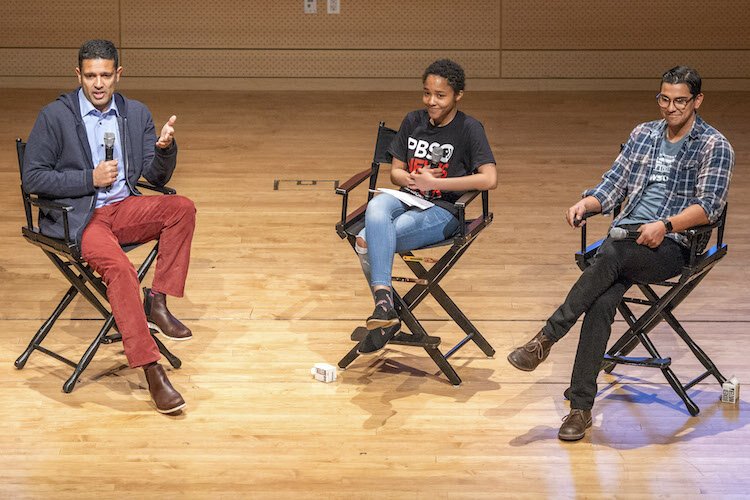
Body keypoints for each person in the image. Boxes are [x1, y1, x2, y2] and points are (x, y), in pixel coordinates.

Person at [507, 66, 734, 441]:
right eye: (664, 99)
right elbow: (613, 185)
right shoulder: (643, 134)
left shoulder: (714, 145)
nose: (671, 108)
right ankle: (580, 409)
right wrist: (587, 204)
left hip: (673, 246)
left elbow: (708, 207)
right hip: (626, 240)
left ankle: (546, 338)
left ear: (697, 101)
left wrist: (666, 226)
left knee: (610, 254)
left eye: (680, 101)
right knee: (601, 298)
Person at [22, 40, 197, 414]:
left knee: (181, 208)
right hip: (80, 216)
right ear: (78, 75)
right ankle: (152, 370)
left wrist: (165, 148)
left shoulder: (134, 113)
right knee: (119, 268)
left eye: (105, 75)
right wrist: (90, 178)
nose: (98, 84)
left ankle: (158, 301)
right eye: (90, 76)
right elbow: (33, 178)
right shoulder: (55, 116)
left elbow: (153, 174)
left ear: (118, 74)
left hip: (123, 208)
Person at [355, 59, 497, 354]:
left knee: (367, 240)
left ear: (458, 95)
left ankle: (387, 313)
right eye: (427, 93)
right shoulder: (412, 121)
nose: (432, 101)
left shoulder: (469, 129)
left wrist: (438, 184)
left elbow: (489, 179)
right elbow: (395, 172)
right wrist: (410, 178)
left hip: (443, 210)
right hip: (408, 197)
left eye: (440, 95)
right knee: (377, 205)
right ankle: (386, 305)